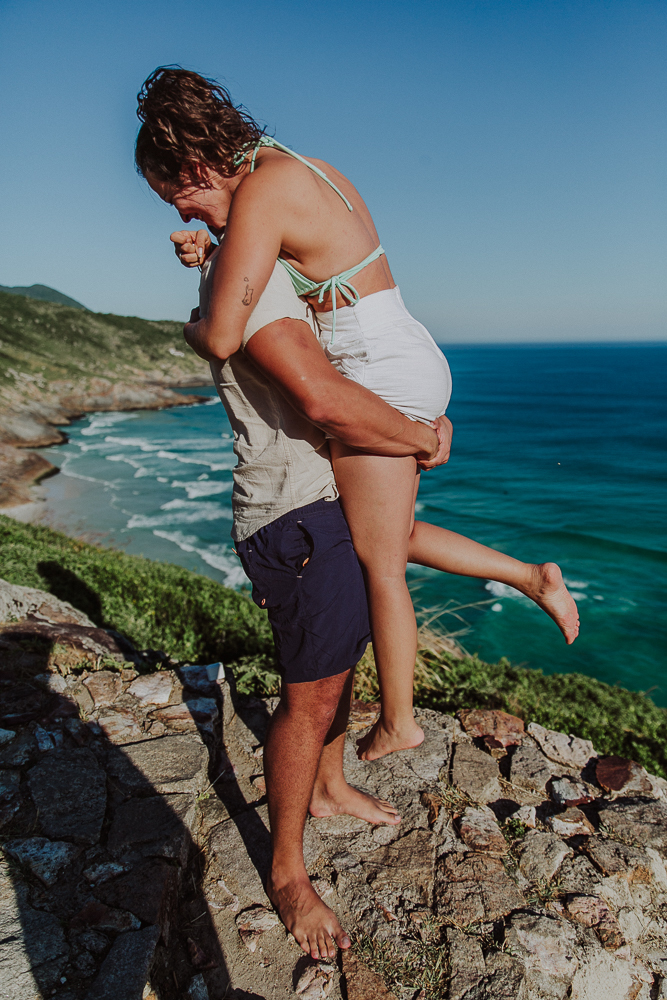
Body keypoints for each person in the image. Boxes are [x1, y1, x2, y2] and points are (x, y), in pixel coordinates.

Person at [135, 67, 579, 767]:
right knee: (388, 531)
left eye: (176, 197)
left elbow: (224, 334)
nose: (182, 213)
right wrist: (210, 257)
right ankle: (530, 577)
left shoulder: (262, 188)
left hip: (370, 368)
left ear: (193, 165)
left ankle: (399, 720)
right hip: (405, 349)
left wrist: (192, 323)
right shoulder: (307, 167)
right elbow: (271, 270)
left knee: (377, 562)